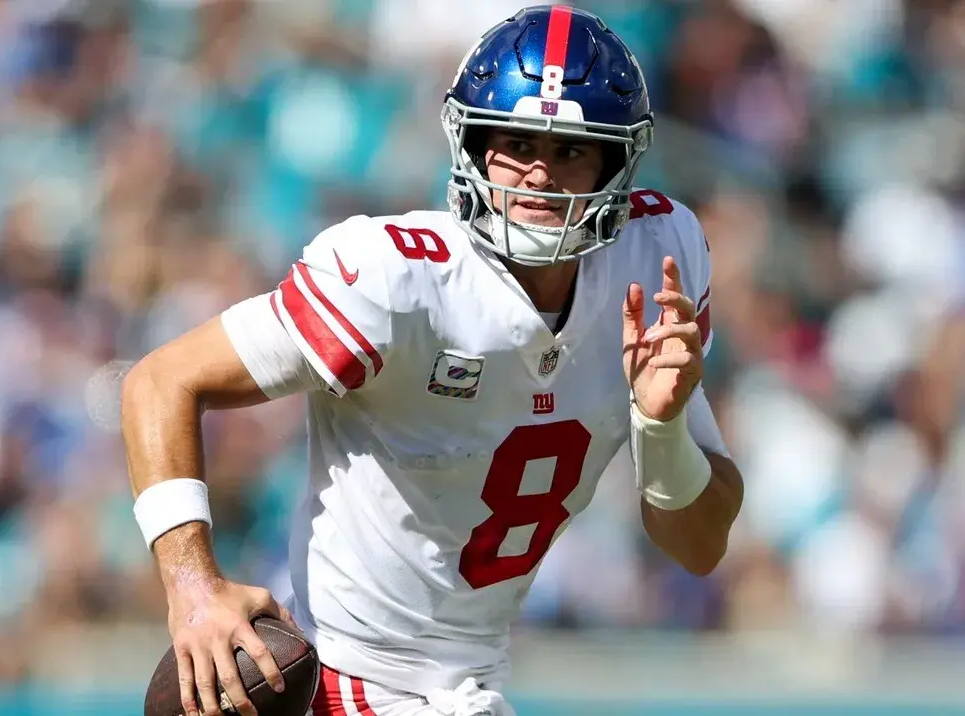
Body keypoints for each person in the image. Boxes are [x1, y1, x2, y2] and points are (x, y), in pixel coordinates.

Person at [121, 5, 744, 716]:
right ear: (471, 143)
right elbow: (159, 380)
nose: (538, 175)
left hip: (473, 684)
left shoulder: (654, 260)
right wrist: (192, 588)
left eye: (570, 149)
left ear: (616, 160)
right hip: (351, 678)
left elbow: (699, 546)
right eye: (515, 141)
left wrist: (659, 433)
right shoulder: (400, 279)